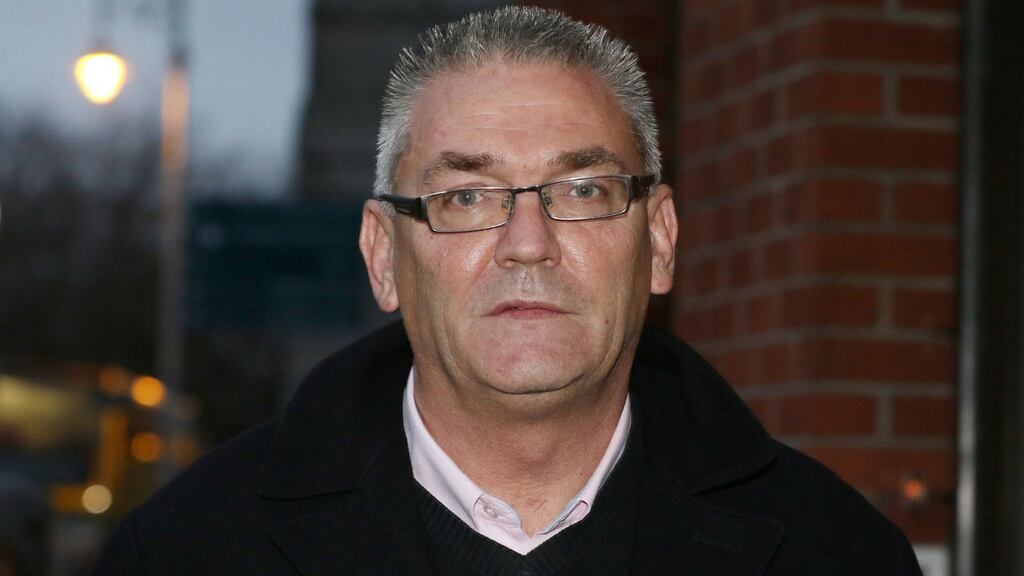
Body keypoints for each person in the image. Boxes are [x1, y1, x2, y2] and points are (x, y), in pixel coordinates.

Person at [93, 7, 923, 575]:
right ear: (383, 256)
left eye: (585, 190)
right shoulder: (189, 550)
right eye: (466, 198)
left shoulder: (840, 553)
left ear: (660, 242)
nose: (528, 243)